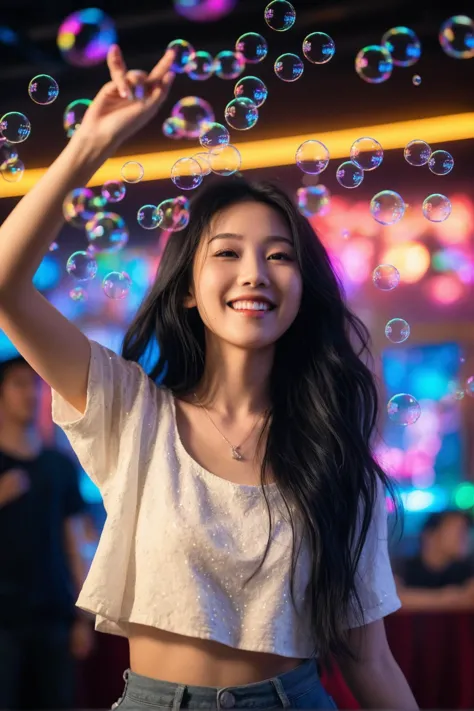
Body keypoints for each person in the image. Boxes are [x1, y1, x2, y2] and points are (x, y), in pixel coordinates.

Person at [0, 44, 418, 710]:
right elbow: (4, 283)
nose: (255, 272)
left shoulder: (332, 455)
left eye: (279, 257)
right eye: (228, 252)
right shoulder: (130, 411)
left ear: (302, 289)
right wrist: (90, 143)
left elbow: (370, 659)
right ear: (189, 289)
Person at [0, 355, 95, 709]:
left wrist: (82, 616)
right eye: (19, 384)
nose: (31, 394)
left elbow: (75, 542)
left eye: (36, 385)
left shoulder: (58, 466)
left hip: (53, 616)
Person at [394, 510, 474, 611]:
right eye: (458, 530)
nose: (464, 536)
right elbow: (394, 600)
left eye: (465, 530)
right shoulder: (403, 567)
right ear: (430, 535)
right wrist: (446, 598)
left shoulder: (467, 569)